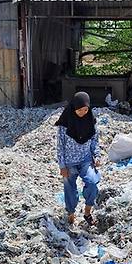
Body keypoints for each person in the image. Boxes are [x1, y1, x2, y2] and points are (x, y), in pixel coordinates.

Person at [56, 92, 101, 226]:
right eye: (80, 110)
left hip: (86, 160)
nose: (83, 112)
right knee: (69, 188)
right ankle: (71, 213)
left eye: (86, 110)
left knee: (92, 182)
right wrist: (62, 166)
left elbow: (94, 140)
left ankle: (87, 211)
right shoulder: (64, 124)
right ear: (74, 108)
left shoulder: (91, 121)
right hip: (69, 162)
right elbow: (60, 146)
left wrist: (97, 156)